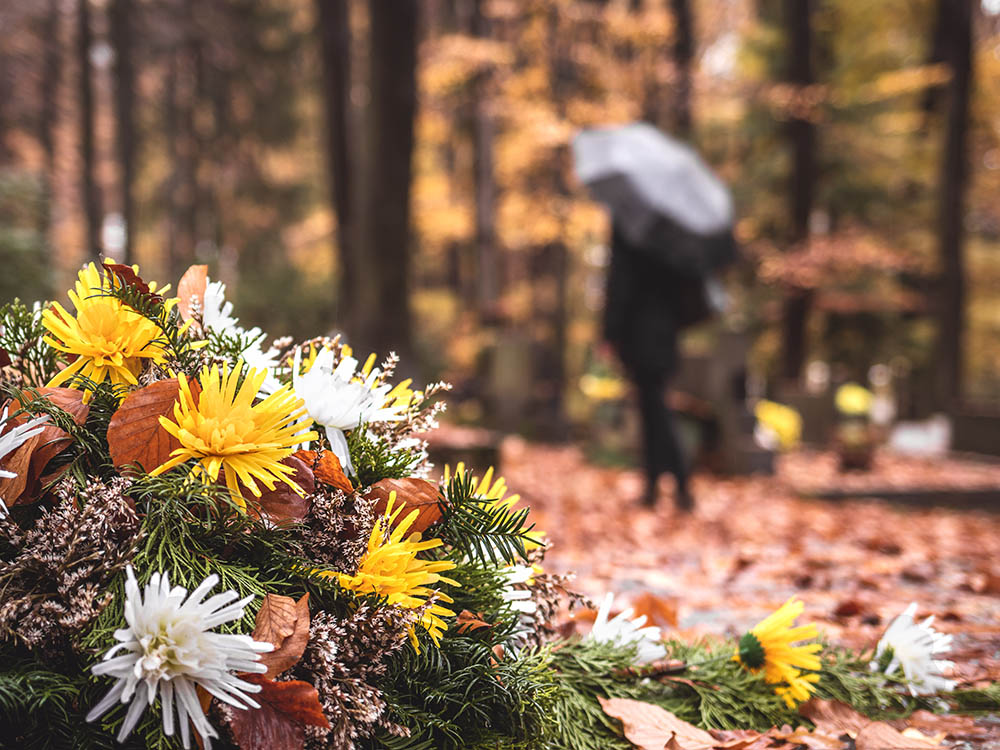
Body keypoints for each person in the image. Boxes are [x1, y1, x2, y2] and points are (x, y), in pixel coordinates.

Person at [603, 223, 694, 511]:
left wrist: (610, 332)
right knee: (654, 409)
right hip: (666, 334)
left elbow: (620, 281)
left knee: (655, 409)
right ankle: (657, 485)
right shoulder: (673, 230)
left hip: (640, 334)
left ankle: (678, 483)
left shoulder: (630, 226)